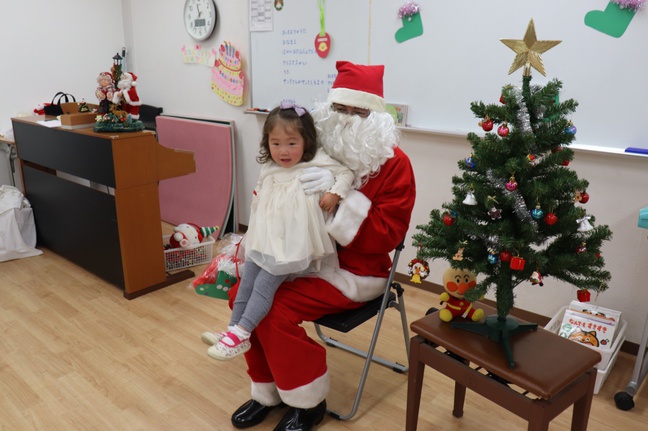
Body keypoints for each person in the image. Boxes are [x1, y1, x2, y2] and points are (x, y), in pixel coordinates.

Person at [203, 61, 416, 431]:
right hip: (297, 256)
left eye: (358, 112)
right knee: (240, 293)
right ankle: (267, 392)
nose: (346, 119)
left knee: (274, 309)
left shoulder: (395, 164)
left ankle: (308, 402)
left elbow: (389, 235)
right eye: (339, 108)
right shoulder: (312, 146)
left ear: (377, 116)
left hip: (353, 271)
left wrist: (338, 204)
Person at [204, 102, 354, 361]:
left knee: (264, 286)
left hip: (291, 246)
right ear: (267, 143)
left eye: (292, 143)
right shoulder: (269, 167)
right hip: (265, 238)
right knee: (246, 283)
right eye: (276, 143)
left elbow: (346, 173)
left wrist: (334, 192)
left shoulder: (316, 161)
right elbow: (259, 197)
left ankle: (242, 333)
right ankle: (232, 329)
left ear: (306, 141)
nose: (283, 151)